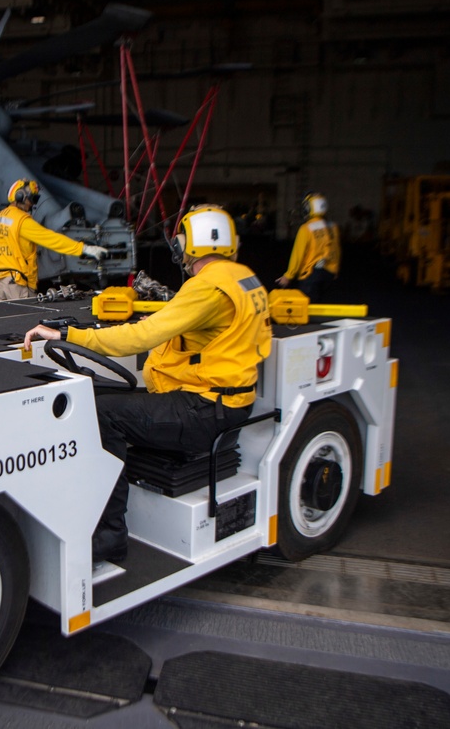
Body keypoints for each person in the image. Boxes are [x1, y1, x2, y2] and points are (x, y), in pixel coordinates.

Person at [23, 205, 272, 563]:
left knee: (99, 412)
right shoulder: (243, 277)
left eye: (182, 242)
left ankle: (110, 534)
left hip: (203, 410)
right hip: (224, 402)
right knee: (106, 396)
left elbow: (139, 338)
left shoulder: (205, 287)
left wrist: (68, 334)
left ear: (192, 246)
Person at [0, 179, 107, 300]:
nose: (33, 204)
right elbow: (52, 239)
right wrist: (84, 248)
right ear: (20, 197)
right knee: (26, 318)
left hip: (0, 283)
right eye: (32, 199)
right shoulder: (21, 221)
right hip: (17, 285)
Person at [276, 192, 341, 302]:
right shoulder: (333, 227)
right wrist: (336, 270)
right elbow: (336, 250)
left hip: (311, 275)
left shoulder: (306, 229)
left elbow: (298, 254)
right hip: (329, 274)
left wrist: (288, 276)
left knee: (308, 311)